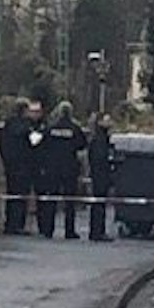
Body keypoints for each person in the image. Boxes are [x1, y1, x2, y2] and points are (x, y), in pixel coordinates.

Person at [34, 101, 87, 239]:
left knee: (51, 198)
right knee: (69, 201)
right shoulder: (75, 128)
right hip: (69, 168)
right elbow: (82, 145)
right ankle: (69, 231)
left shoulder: (50, 128)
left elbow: (39, 144)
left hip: (52, 168)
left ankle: (48, 229)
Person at [0, 99, 36, 234]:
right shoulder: (27, 125)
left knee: (11, 194)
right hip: (24, 165)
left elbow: (1, 143)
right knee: (21, 195)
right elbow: (34, 142)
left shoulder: (7, 124)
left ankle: (10, 224)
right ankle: (18, 224)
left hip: (10, 165)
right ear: (24, 110)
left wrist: (5, 160)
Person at [86, 113, 120, 242]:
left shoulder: (101, 138)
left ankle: (97, 231)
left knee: (99, 203)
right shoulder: (100, 139)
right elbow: (100, 158)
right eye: (107, 120)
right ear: (100, 123)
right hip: (100, 175)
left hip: (98, 174)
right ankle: (97, 232)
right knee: (98, 203)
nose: (110, 122)